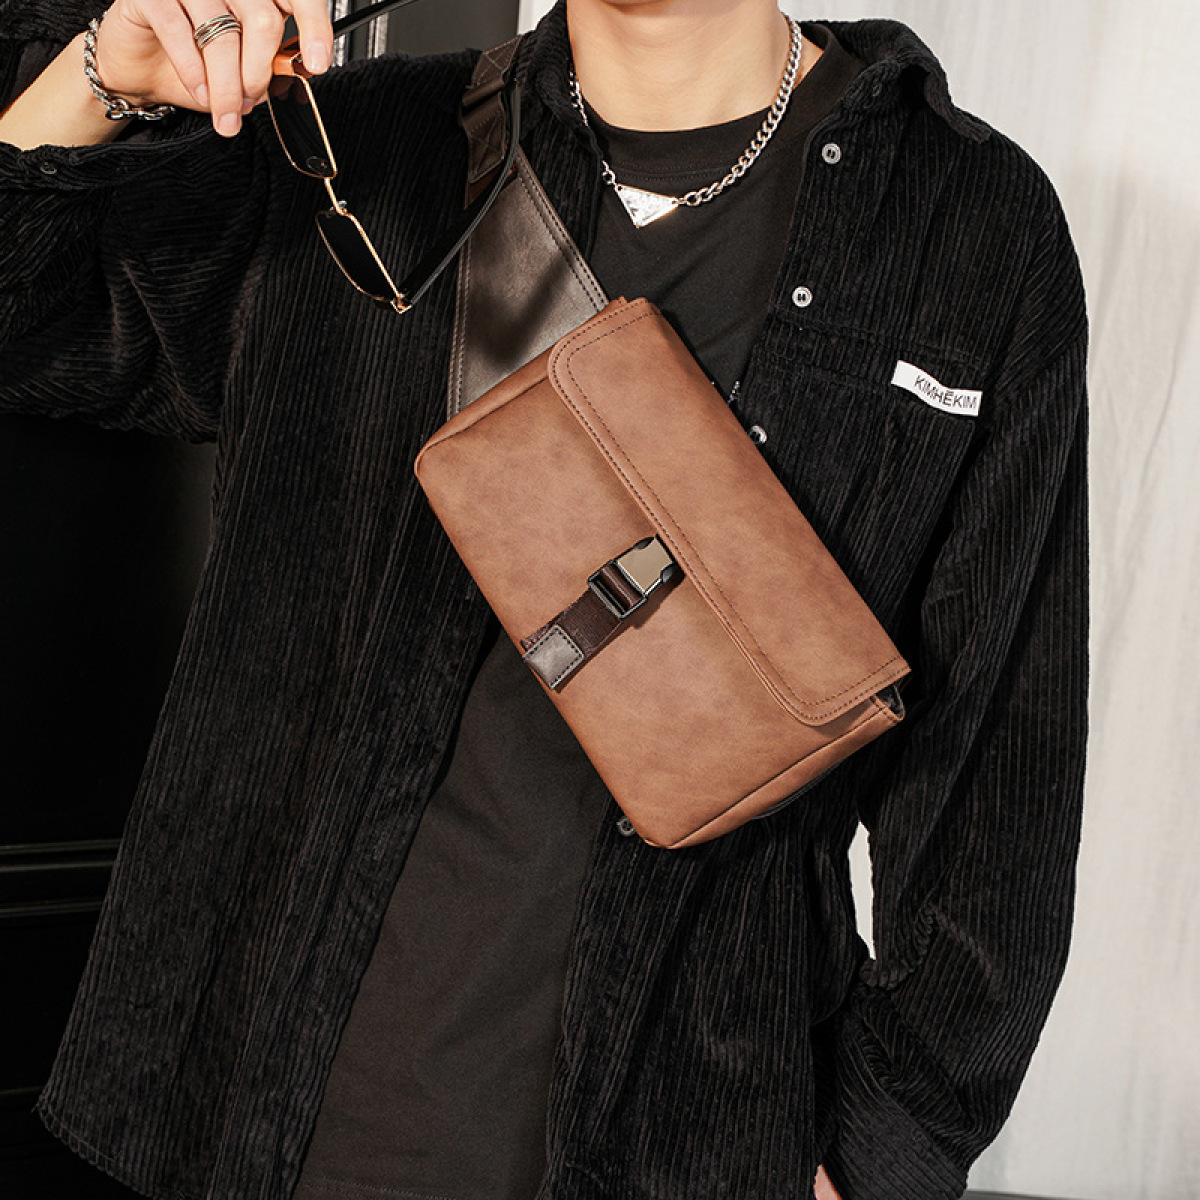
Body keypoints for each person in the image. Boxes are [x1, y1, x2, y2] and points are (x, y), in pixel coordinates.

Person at [0, 2, 1089, 1199]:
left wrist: (880, 1158)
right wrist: (102, 70)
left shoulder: (974, 225)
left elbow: (1001, 760)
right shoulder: (356, 147)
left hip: (691, 1137)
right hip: (257, 1110)